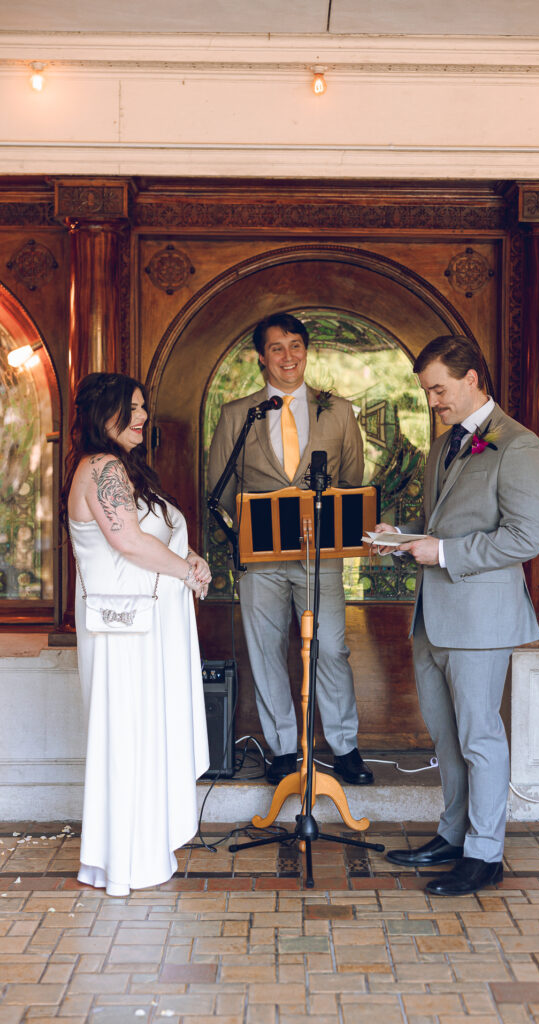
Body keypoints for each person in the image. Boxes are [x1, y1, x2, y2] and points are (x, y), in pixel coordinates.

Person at [375, 335, 539, 896]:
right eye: (427, 391)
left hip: (480, 618)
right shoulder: (445, 444)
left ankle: (485, 854)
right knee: (446, 739)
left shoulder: (519, 446)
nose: (431, 402)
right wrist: (400, 538)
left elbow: (525, 538)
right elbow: (443, 525)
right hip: (433, 615)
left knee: (479, 738)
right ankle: (452, 835)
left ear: (472, 378)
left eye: (439, 390)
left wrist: (444, 553)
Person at [60, 372, 211, 897]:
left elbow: (150, 535)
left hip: (143, 628)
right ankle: (122, 861)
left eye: (144, 407)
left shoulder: (123, 469)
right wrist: (184, 570)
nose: (143, 416)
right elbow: (126, 542)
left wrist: (190, 558)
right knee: (128, 737)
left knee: (142, 735)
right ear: (104, 414)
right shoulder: (100, 467)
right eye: (133, 408)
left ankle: (135, 851)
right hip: (123, 632)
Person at [208, 312, 373, 786]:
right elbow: (219, 490)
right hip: (259, 561)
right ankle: (282, 749)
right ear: (262, 357)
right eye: (277, 348)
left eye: (296, 346)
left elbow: (351, 482)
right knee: (265, 650)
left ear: (306, 351)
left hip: (319, 556)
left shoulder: (338, 411)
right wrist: (242, 537)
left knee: (331, 649)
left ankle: (345, 748)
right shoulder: (238, 413)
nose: (288, 356)